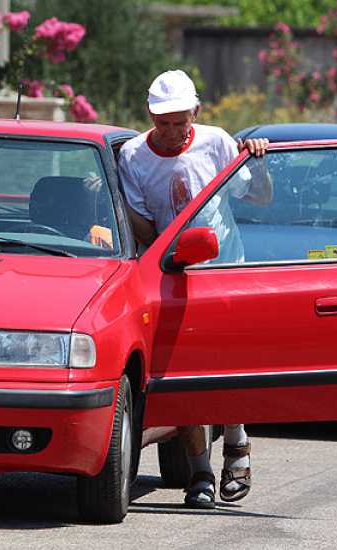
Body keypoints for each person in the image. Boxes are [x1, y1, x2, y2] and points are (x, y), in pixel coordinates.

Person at [118, 69, 272, 509]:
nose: (169, 133)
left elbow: (258, 197)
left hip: (226, 269)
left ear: (196, 114)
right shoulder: (133, 156)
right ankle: (199, 471)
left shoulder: (218, 141)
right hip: (173, 272)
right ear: (149, 115)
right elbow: (144, 225)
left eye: (179, 123)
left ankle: (238, 446)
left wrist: (255, 160)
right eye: (161, 123)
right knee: (183, 372)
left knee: (229, 365)